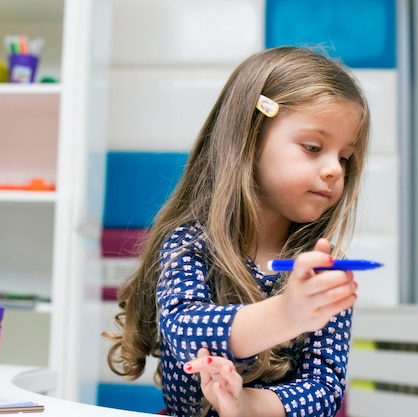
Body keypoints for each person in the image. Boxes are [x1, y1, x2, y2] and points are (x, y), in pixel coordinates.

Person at [103, 46, 370, 417]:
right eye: (313, 147)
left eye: (344, 157)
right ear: (249, 137)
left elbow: (324, 388)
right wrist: (287, 314)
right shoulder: (190, 244)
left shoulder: (324, 270)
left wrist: (246, 405)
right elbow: (183, 331)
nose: (334, 170)